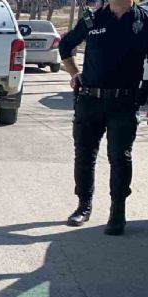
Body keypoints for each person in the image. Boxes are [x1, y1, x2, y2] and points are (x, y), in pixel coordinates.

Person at [59, 0, 148, 236]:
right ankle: (83, 206)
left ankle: (117, 212)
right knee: (85, 155)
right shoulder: (92, 19)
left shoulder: (143, 20)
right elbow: (65, 46)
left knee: (120, 157)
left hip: (124, 102)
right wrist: (74, 73)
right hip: (90, 100)